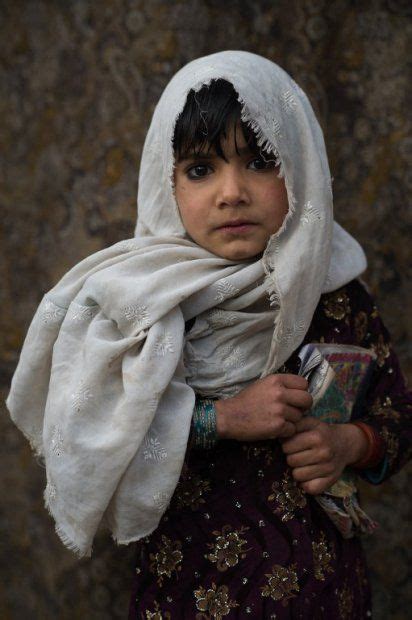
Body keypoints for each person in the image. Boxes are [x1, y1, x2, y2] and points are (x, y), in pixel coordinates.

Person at [6, 51, 411, 619]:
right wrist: (221, 418)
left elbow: (398, 415)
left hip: (323, 589)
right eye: (201, 169)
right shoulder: (141, 302)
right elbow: (91, 428)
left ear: (300, 164)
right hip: (189, 590)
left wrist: (351, 444)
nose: (231, 192)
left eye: (259, 161)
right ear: (164, 182)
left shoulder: (337, 295)